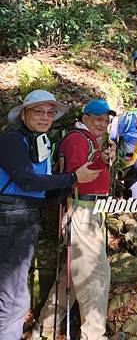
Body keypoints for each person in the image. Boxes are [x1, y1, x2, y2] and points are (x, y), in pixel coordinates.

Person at [0, 90, 99, 340]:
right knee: (12, 295)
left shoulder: (39, 141)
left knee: (15, 291)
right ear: (24, 114)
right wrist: (73, 178)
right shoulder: (13, 140)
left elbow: (40, 193)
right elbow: (26, 181)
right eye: (38, 111)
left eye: (50, 112)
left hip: (26, 218)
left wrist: (65, 191)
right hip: (11, 218)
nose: (45, 117)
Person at [36, 98, 116, 340]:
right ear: (85, 119)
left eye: (106, 120)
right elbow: (74, 178)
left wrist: (103, 158)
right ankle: (93, 335)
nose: (103, 124)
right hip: (80, 211)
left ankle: (44, 327)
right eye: (98, 119)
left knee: (72, 274)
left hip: (88, 211)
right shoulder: (76, 140)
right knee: (95, 275)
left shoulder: (88, 140)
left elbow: (87, 170)